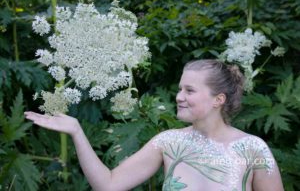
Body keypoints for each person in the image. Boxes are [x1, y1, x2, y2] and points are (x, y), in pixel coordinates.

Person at [24, 59, 284, 191]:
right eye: (180, 88)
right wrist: (77, 131)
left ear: (218, 99)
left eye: (190, 90)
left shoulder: (253, 149)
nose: (179, 96)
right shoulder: (169, 142)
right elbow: (109, 185)